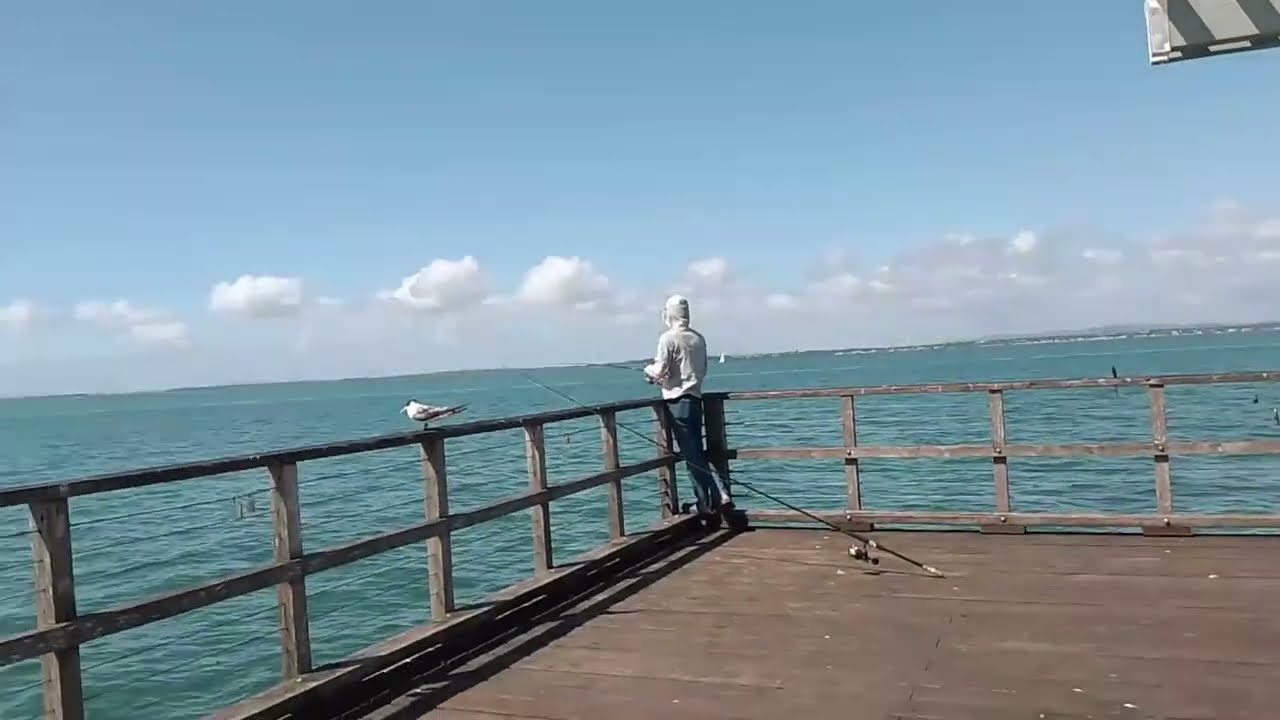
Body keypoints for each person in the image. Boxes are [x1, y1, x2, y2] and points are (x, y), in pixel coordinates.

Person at [642, 294, 729, 517]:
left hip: (677, 402)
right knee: (695, 452)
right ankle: (704, 503)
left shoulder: (668, 338)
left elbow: (660, 370)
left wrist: (648, 371)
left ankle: (718, 493)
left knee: (692, 454)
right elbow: (697, 368)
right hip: (695, 399)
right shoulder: (698, 338)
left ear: (668, 314)